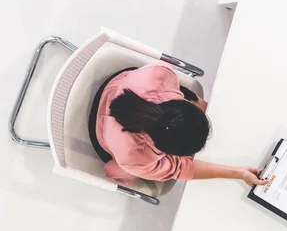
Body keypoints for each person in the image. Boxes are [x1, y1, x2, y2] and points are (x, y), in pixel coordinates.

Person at [90, 63, 266, 187]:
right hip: (102, 133)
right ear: (168, 153)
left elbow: (180, 167)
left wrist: (240, 173)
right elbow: (181, 168)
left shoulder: (158, 74)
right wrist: (237, 173)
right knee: (122, 171)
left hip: (123, 85)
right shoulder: (138, 160)